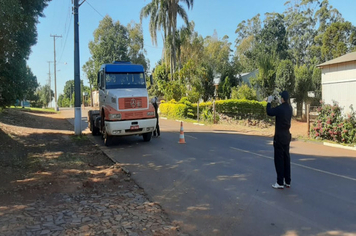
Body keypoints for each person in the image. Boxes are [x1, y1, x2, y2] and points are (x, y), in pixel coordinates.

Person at [266, 91, 292, 189]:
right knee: (286, 159)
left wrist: (269, 102)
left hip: (279, 137)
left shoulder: (280, 109)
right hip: (287, 136)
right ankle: (287, 181)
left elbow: (270, 112)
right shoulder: (290, 108)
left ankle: (280, 182)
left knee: (279, 160)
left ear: (283, 99)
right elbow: (281, 109)